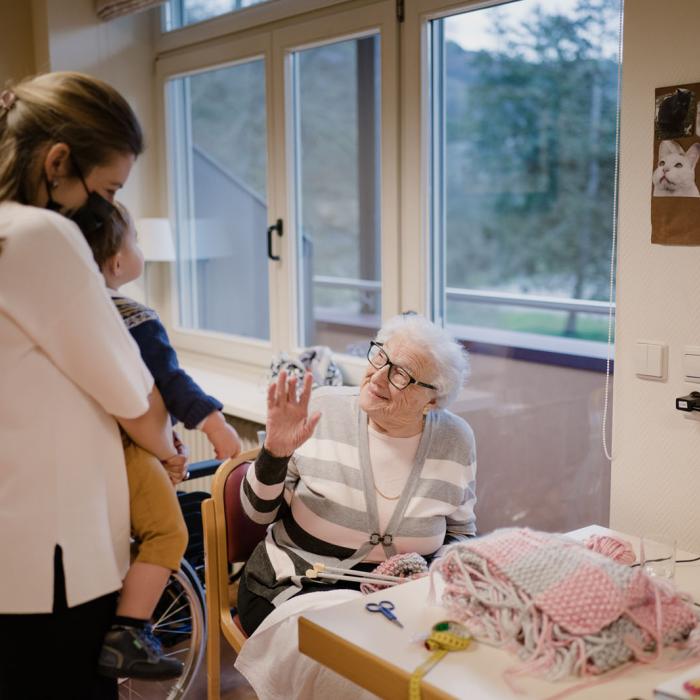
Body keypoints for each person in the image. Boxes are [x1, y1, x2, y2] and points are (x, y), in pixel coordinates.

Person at [0, 72, 185, 700]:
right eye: (103, 190)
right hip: (52, 555)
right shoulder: (37, 236)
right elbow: (141, 407)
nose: (99, 212)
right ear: (57, 162)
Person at [236, 313, 476, 639]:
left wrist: (434, 574)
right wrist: (274, 453)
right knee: (362, 653)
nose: (377, 377)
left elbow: (461, 534)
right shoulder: (321, 409)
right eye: (380, 357)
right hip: (297, 583)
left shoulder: (456, 439)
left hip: (401, 597)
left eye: (401, 375)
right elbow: (257, 513)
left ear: (431, 400)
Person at [80, 202, 242, 678]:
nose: (140, 249)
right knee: (169, 532)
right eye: (135, 239)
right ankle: (129, 630)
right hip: (125, 449)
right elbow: (170, 380)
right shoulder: (132, 314)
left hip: (89, 450)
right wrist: (215, 424)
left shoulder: (78, 316)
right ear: (115, 262)